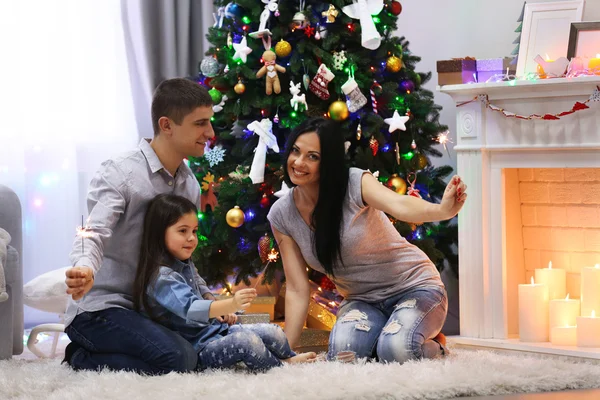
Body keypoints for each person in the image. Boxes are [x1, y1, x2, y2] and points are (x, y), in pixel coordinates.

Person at [267, 117, 467, 364]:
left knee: (396, 352)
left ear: (327, 162)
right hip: (362, 300)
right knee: (344, 358)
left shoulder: (354, 183)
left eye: (313, 156)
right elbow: (298, 289)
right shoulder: (281, 214)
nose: (298, 162)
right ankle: (390, 338)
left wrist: (442, 211)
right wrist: (285, 352)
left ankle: (434, 348)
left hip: (415, 287)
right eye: (296, 151)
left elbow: (399, 204)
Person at [63, 78, 216, 374]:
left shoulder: (189, 186)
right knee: (179, 358)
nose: (210, 133)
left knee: (201, 350)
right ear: (167, 125)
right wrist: (85, 268)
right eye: (201, 124)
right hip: (102, 309)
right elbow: (93, 233)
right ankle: (80, 356)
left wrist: (207, 298)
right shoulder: (119, 172)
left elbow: (183, 258)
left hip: (152, 311)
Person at [134, 193, 317, 371]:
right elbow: (191, 309)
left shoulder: (184, 262)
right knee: (246, 343)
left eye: (195, 231)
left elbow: (199, 283)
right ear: (160, 233)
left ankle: (287, 356)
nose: (192, 238)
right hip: (199, 347)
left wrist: (216, 307)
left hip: (216, 330)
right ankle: (281, 367)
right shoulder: (162, 277)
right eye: (183, 231)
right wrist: (230, 304)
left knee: (274, 332)